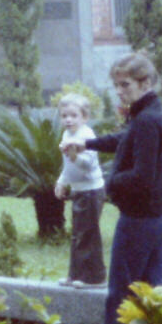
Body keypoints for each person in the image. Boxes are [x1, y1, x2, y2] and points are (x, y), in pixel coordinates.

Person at [63, 51, 162, 324]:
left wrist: (107, 180)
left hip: (141, 218)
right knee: (156, 296)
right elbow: (124, 141)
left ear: (145, 82)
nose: (120, 91)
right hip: (160, 214)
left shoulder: (147, 119)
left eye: (126, 84)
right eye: (117, 85)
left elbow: (143, 176)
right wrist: (85, 142)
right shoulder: (152, 112)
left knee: (120, 294)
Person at [53, 92, 105, 287]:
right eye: (64, 115)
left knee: (88, 234)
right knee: (77, 234)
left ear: (85, 117)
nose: (68, 119)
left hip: (91, 191)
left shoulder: (87, 136)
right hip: (78, 191)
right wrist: (61, 181)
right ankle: (75, 275)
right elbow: (68, 165)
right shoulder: (67, 134)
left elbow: (88, 165)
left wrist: (74, 155)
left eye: (73, 115)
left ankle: (95, 277)